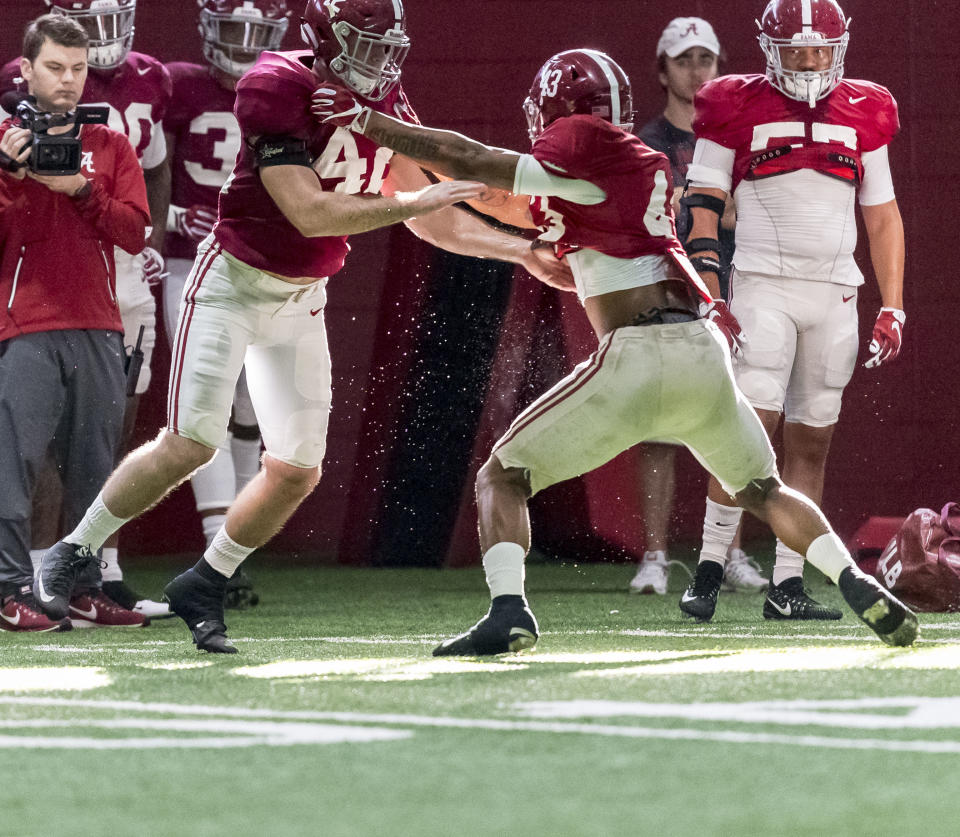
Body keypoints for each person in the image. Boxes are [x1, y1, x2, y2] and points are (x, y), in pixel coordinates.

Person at [309, 45, 918, 655]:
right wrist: (464, 204)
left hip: (640, 352)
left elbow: (476, 160)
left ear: (566, 110)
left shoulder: (581, 139)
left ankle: (508, 612)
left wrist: (372, 123)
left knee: (502, 475)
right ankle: (858, 584)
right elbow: (498, 196)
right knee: (764, 490)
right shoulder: (628, 164)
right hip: (700, 356)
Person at [33, 0, 573, 653]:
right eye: (363, 44)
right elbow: (310, 211)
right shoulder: (276, 84)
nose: (379, 61)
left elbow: (432, 221)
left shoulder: (383, 102)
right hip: (232, 282)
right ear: (322, 39)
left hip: (301, 299)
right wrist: (410, 204)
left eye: (387, 46)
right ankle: (73, 550)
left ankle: (206, 579)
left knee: (296, 470)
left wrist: (519, 249)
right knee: (192, 440)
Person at [678, 0, 906, 624]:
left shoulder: (867, 108)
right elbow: (701, 205)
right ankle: (710, 567)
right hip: (762, 284)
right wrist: (713, 293)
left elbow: (883, 215)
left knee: (812, 442)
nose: (807, 64)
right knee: (747, 432)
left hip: (835, 290)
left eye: (818, 52)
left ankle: (787, 582)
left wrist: (894, 305)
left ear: (838, 50)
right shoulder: (732, 105)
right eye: (794, 52)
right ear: (769, 49)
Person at [0, 0, 172, 619]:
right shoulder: (5, 142)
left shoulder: (110, 144)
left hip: (101, 322)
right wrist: (14, 174)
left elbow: (133, 230)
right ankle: (12, 588)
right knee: (14, 466)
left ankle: (81, 588)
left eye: (77, 69)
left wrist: (79, 188)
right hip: (27, 321)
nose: (68, 81)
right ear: (27, 70)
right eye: (55, 68)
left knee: (97, 470)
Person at [162, 0, 291, 609]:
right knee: (206, 402)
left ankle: (234, 547)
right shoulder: (176, 88)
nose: (242, 47)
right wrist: (166, 219)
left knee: (252, 408)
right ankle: (221, 542)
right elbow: (144, 166)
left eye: (255, 34)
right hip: (192, 262)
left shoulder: (283, 93)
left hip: (261, 264)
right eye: (230, 32)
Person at [630, 17, 766, 596]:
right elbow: (649, 215)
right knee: (657, 427)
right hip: (665, 289)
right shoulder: (644, 142)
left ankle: (728, 554)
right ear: (663, 70)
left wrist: (700, 205)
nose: (696, 70)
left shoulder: (737, 135)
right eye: (684, 60)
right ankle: (655, 557)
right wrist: (707, 205)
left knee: (728, 419)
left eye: (705, 59)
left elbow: (745, 210)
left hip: (729, 288)